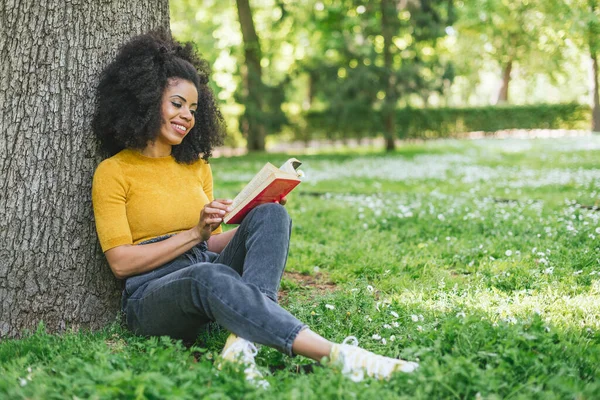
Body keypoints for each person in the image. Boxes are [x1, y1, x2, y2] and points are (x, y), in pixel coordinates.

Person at [91, 31, 418, 387]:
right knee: (210, 276)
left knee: (271, 215)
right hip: (151, 297)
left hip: (206, 272)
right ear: (146, 99)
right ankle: (339, 356)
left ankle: (244, 340)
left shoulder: (195, 167)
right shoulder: (114, 172)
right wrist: (193, 234)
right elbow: (120, 263)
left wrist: (256, 215)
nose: (187, 116)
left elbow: (211, 245)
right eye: (177, 104)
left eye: (194, 109)